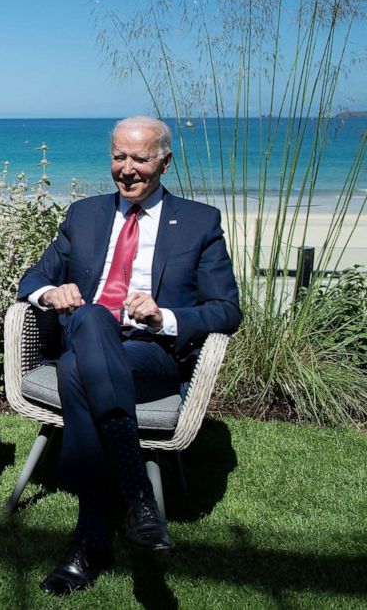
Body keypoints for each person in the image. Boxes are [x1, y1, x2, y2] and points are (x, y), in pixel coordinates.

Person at [18, 116, 242, 596]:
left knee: (79, 367)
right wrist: (53, 294)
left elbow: (226, 310)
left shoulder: (199, 222)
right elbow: (32, 280)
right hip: (87, 332)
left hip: (150, 355)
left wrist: (165, 317)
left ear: (165, 161)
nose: (127, 169)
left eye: (140, 158)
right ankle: (135, 496)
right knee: (93, 318)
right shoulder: (85, 214)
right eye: (119, 156)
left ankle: (92, 539)